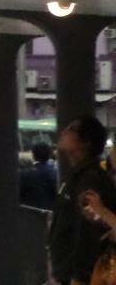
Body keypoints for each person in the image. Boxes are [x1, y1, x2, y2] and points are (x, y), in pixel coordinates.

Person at [48, 116, 116, 285]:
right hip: (69, 271)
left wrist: (79, 276)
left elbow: (87, 234)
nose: (64, 132)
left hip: (80, 275)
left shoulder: (90, 179)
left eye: (72, 129)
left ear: (86, 142)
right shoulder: (77, 176)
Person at [19, 142, 57, 212]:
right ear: (49, 155)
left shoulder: (24, 175)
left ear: (33, 155)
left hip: (30, 214)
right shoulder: (56, 173)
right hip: (52, 214)